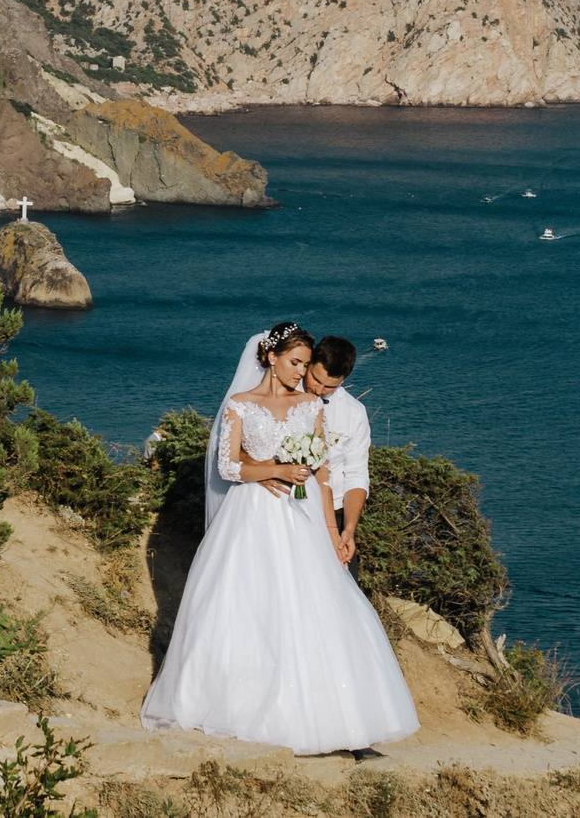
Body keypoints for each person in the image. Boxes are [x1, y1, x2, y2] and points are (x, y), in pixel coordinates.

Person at [141, 322, 418, 754]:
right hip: (251, 515)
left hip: (304, 515)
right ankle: (243, 706)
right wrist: (272, 469)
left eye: (305, 365)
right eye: (297, 363)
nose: (301, 373)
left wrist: (336, 533)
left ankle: (337, 719)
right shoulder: (240, 404)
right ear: (271, 358)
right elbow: (228, 468)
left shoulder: (313, 407)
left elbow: (325, 476)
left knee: (317, 609)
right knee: (248, 607)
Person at [306, 335, 370, 565]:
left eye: (329, 386)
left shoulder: (354, 412)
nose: (319, 389)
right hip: (290, 511)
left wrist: (349, 529)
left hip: (336, 513)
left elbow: (356, 474)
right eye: (315, 379)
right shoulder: (284, 398)